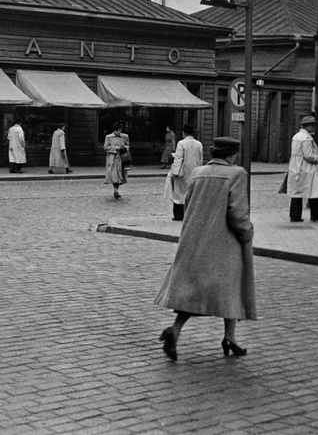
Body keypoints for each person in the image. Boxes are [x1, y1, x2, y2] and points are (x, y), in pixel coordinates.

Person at [153, 136, 255, 361]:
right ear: (231, 155)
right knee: (232, 287)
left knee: (194, 291)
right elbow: (238, 214)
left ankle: (177, 330)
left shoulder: (198, 173)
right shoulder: (236, 174)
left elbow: (188, 204)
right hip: (225, 242)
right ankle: (229, 337)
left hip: (196, 240)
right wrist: (247, 232)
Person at [286, 115, 318, 222]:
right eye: (312, 126)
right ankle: (315, 214)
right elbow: (308, 155)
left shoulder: (296, 136)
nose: (314, 128)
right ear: (307, 126)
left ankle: (295, 215)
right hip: (307, 168)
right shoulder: (307, 138)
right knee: (314, 190)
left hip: (296, 166)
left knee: (297, 192)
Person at [167, 124, 203, 221]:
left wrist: (174, 172)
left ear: (184, 133)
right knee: (192, 192)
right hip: (195, 171)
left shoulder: (181, 143)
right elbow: (200, 159)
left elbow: (178, 158)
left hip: (182, 171)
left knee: (179, 193)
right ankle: (191, 214)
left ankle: (179, 215)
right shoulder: (199, 144)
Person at [104, 122, 130, 200]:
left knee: (119, 175)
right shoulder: (109, 137)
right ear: (114, 130)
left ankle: (116, 190)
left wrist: (125, 148)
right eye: (117, 130)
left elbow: (128, 144)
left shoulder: (125, 136)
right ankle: (115, 190)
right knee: (114, 175)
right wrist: (115, 148)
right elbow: (106, 147)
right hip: (113, 159)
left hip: (121, 158)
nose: (119, 132)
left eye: (120, 130)